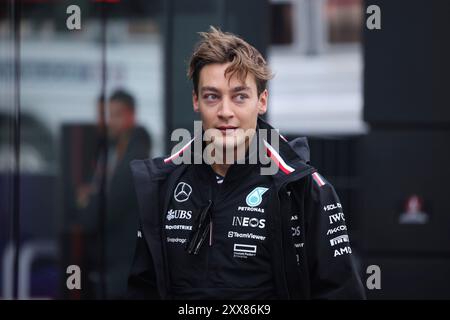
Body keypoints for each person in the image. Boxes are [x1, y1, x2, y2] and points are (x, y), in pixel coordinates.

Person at [128, 27, 365, 299]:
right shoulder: (162, 184)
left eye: (240, 96)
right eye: (212, 96)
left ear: (261, 102)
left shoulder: (303, 188)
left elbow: (342, 292)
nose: (225, 112)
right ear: (196, 101)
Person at [77, 89, 151, 299]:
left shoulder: (133, 160)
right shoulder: (113, 152)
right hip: (112, 264)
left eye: (116, 115)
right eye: (108, 115)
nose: (110, 121)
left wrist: (88, 199)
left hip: (122, 266)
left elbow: (103, 212)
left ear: (131, 117)